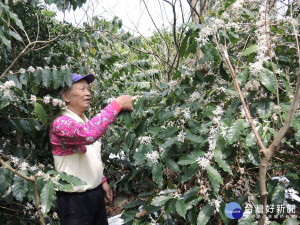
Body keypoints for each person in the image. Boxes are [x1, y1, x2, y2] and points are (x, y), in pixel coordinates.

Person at [49, 73, 133, 225]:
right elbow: (87, 134)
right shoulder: (60, 124)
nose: (88, 93)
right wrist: (117, 104)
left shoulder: (85, 120)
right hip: (74, 202)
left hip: (95, 195)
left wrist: (102, 180)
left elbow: (92, 155)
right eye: (82, 89)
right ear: (66, 96)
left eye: (88, 89)